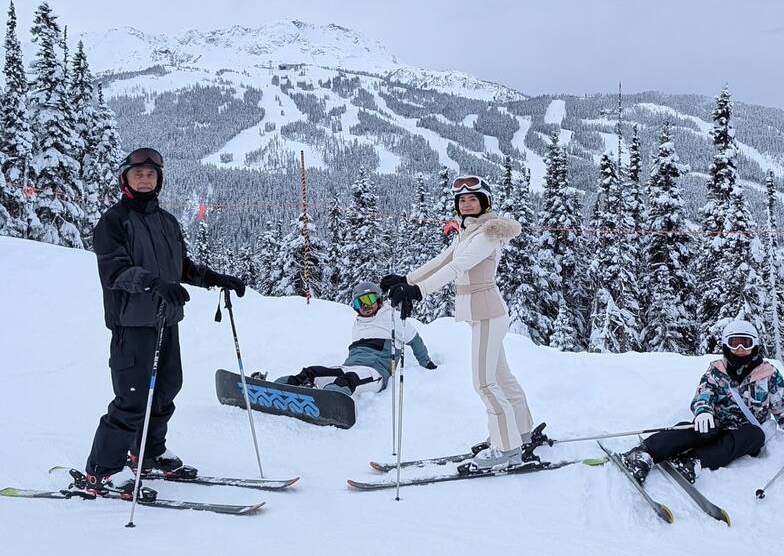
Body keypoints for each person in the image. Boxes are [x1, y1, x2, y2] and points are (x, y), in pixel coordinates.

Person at [77, 148, 245, 500]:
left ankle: (148, 453)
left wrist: (214, 278)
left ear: (158, 181)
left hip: (166, 321)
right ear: (126, 179)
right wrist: (153, 283)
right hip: (132, 323)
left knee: (167, 389)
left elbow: (181, 267)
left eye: (151, 174)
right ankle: (101, 471)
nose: (144, 178)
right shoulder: (114, 221)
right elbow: (114, 271)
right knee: (132, 399)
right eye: (138, 173)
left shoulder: (167, 222)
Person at [381, 176, 535, 471]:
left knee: (484, 383)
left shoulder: (487, 234)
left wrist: (419, 291)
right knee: (501, 378)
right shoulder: (468, 231)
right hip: (484, 314)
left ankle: (507, 447)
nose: (466, 204)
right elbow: (442, 260)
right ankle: (521, 432)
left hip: (488, 313)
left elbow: (457, 267)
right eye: (462, 200)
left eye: (473, 199)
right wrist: (406, 280)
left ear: (484, 202)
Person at [621, 320, 784, 484]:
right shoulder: (717, 370)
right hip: (716, 422)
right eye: (735, 343)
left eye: (746, 343)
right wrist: (703, 411)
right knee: (695, 429)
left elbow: (782, 411)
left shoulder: (769, 375)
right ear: (726, 345)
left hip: (744, 431)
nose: (740, 349)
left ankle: (693, 462)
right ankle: (644, 453)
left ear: (755, 346)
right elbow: (704, 393)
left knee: (756, 435)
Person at [273, 280, 436, 395]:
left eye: (369, 299)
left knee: (349, 380)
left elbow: (414, 339)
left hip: (375, 372)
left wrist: (426, 361)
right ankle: (283, 387)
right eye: (360, 303)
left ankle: (333, 398)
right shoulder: (358, 323)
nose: (365, 306)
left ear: (379, 300)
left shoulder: (392, 317)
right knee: (312, 372)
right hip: (349, 367)